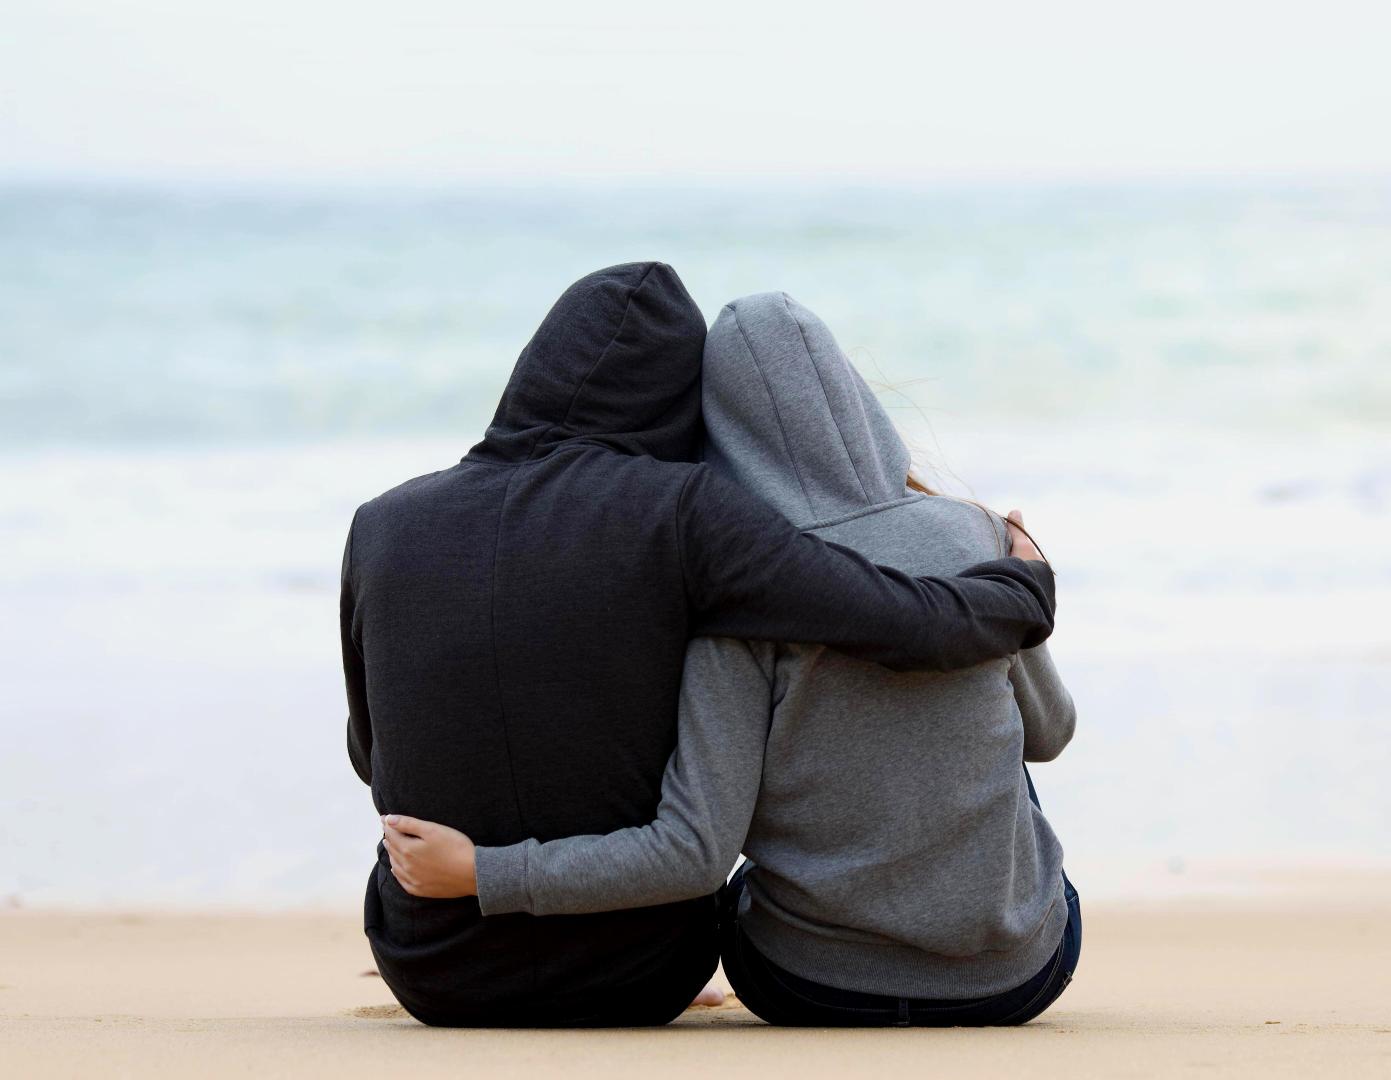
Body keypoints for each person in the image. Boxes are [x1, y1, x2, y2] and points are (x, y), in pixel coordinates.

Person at [344, 265, 1057, 1028]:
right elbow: (903, 623)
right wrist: (1024, 588)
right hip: (641, 969)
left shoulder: (381, 523)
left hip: (428, 964)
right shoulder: (679, 513)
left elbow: (368, 754)